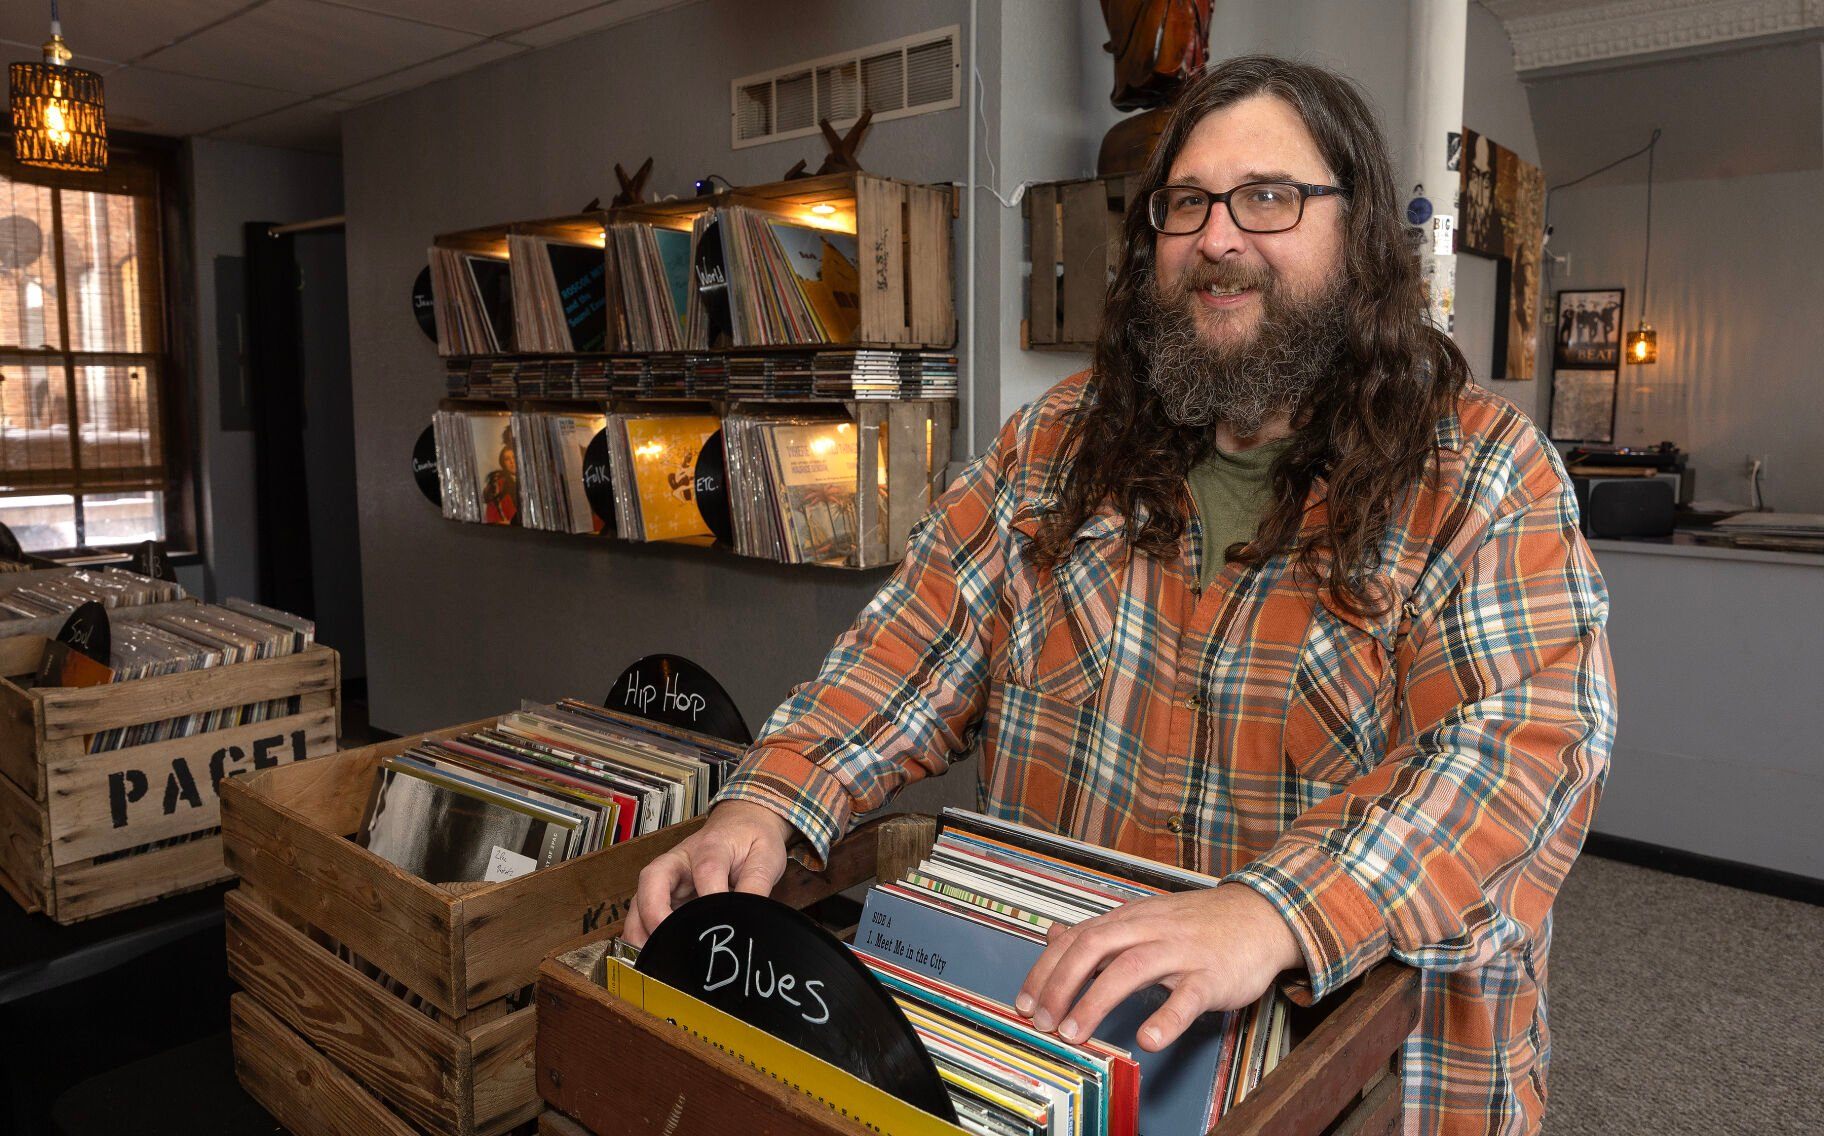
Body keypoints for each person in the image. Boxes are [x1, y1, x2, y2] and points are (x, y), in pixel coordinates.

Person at [631, 55, 1614, 1136]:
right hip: (1064, 1058)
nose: (1220, 237)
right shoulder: (1057, 443)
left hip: (1366, 1092)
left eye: (1271, 196)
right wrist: (767, 797)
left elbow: (1528, 749)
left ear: (1362, 232)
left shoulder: (1480, 472)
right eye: (1185, 202)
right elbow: (903, 652)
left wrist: (1270, 910)